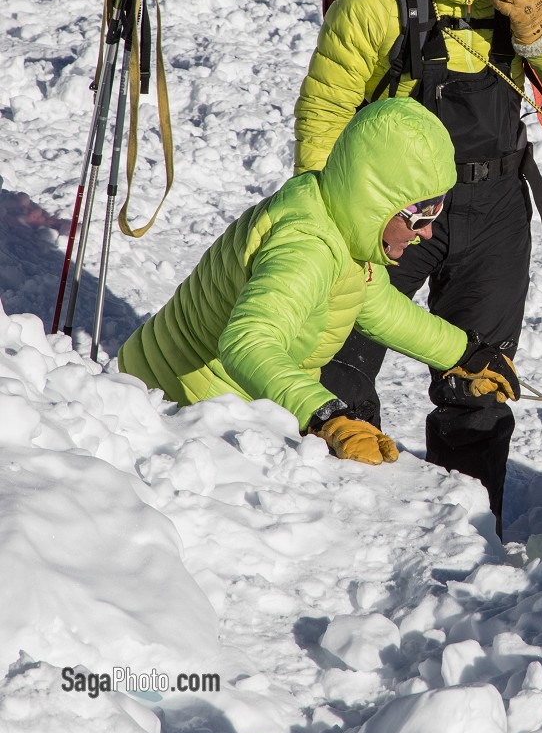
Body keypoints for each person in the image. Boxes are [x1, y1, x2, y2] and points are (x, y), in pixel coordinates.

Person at [293, 0, 542, 532]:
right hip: (397, 211)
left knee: (479, 382)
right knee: (340, 356)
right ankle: (350, 517)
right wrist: (331, 227)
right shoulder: (375, 0)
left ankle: (470, 536)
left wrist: (540, 29)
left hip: (496, 210)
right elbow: (322, 114)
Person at [118, 98, 520, 463]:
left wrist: (465, 354)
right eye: (419, 217)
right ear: (376, 197)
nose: (427, 233)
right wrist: (328, 416)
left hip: (230, 404)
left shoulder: (344, 223)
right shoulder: (306, 246)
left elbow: (377, 307)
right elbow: (248, 343)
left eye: (436, 214)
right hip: (170, 412)